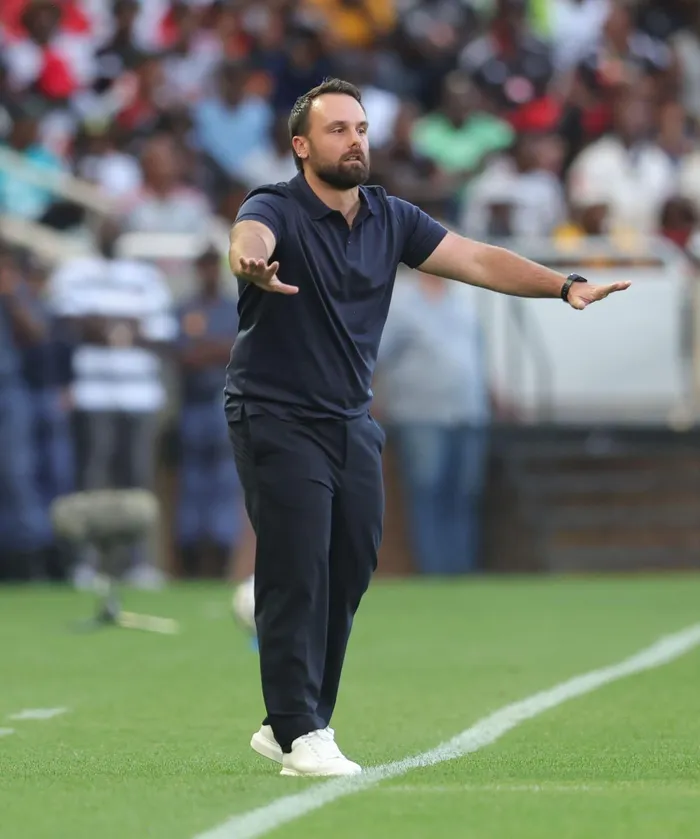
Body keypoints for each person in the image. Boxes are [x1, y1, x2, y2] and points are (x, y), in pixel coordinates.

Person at [226, 78, 629, 778]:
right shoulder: (275, 207)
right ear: (301, 146)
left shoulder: (390, 217)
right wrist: (249, 262)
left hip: (349, 417)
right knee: (297, 567)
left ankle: (292, 720)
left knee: (350, 565)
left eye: (361, 129)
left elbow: (475, 258)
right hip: (275, 413)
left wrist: (564, 285)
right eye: (337, 130)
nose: (355, 140)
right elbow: (247, 235)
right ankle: (300, 730)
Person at [175, 245, 241, 578]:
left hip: (225, 402)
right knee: (193, 482)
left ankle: (221, 556)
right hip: (193, 405)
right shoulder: (186, 308)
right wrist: (219, 348)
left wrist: (208, 350)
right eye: (204, 266)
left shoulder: (234, 307)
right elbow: (184, 356)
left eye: (214, 265)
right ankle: (191, 557)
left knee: (225, 481)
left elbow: (240, 350)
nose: (209, 272)